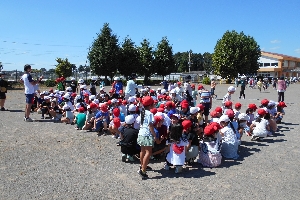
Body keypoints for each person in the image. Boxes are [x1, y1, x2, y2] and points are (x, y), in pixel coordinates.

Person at [137, 96, 156, 179]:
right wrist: (154, 135)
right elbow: (150, 125)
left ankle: (142, 165)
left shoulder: (142, 111)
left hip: (141, 133)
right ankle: (143, 170)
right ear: (150, 105)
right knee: (149, 152)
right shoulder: (150, 113)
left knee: (142, 150)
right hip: (147, 134)